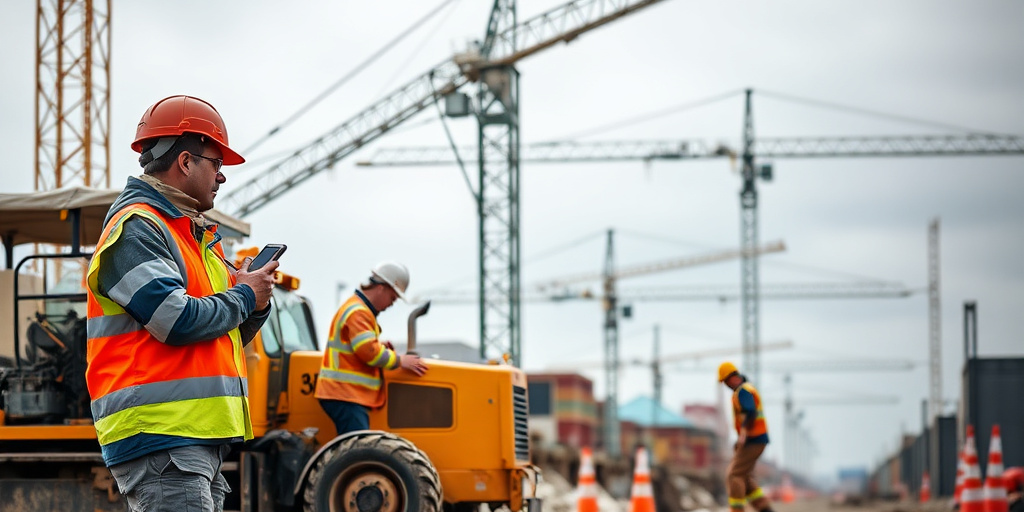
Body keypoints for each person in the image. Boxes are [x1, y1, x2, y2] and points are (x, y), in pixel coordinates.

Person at [85, 95, 279, 512]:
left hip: (188, 439)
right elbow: (175, 321)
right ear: (187, 162)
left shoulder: (190, 234)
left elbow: (221, 333)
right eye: (217, 163)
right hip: (162, 436)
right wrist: (244, 294)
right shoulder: (139, 227)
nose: (222, 177)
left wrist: (255, 301)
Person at [315, 261, 428, 435]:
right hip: (345, 394)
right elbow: (369, 352)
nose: (391, 304)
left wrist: (381, 346)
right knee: (357, 449)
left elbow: (359, 348)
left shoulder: (358, 309)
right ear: (382, 287)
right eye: (393, 298)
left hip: (346, 394)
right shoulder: (359, 312)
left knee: (355, 446)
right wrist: (400, 361)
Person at [718, 361, 776, 512]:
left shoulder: (743, 391)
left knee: (734, 475)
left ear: (732, 377)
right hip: (756, 439)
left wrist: (743, 433)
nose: (725, 385)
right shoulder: (747, 389)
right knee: (745, 476)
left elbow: (750, 411)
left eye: (725, 381)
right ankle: (765, 509)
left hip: (753, 440)